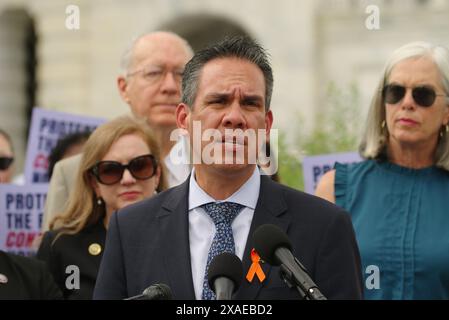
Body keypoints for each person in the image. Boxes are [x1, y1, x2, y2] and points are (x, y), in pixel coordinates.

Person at [93, 36, 363, 300]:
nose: (234, 118)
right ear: (184, 119)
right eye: (218, 101)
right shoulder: (131, 229)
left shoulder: (324, 226)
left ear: (266, 125)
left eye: (249, 103)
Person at [315, 41, 449, 299]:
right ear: (382, 103)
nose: (407, 103)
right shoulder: (334, 189)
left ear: (446, 113)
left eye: (423, 94)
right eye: (395, 92)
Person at [42, 31, 193, 232]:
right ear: (124, 88)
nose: (170, 86)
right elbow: (56, 255)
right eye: (154, 73)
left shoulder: (213, 168)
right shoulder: (72, 173)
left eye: (181, 74)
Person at [37, 115, 165, 299]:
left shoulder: (185, 234)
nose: (127, 180)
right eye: (110, 170)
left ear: (157, 174)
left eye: (140, 166)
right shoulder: (60, 245)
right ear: (94, 183)